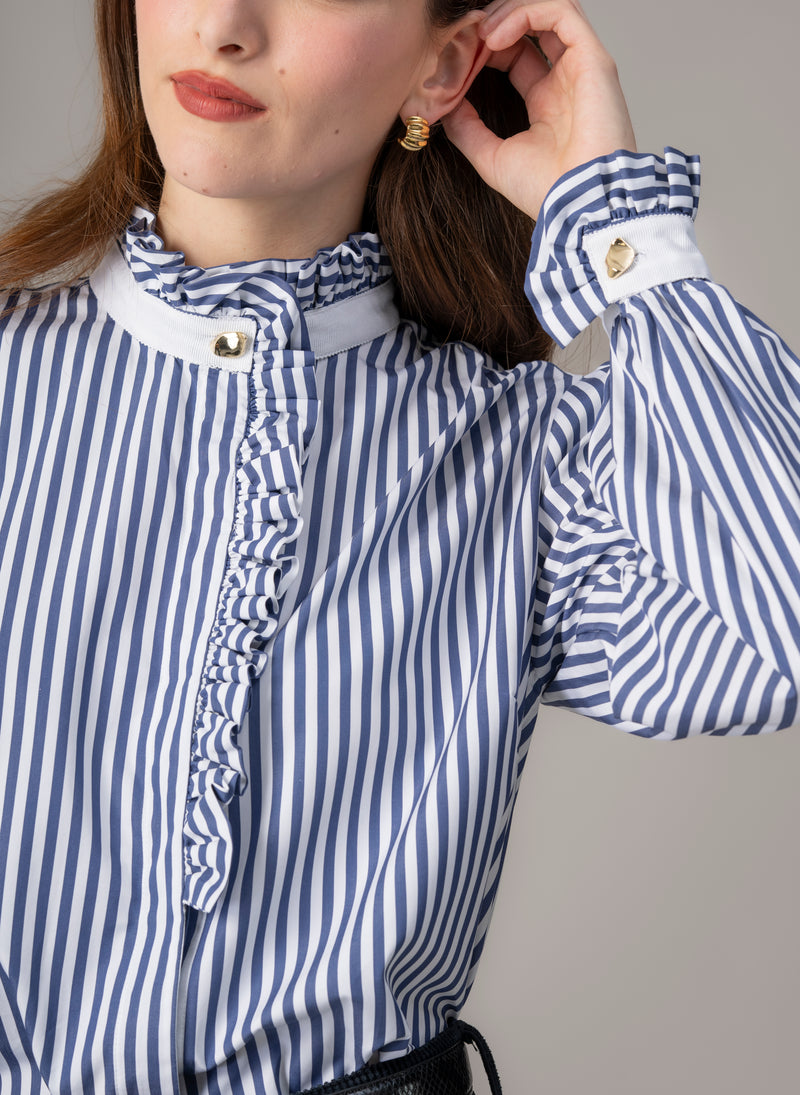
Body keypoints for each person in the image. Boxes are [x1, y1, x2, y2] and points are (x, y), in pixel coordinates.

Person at [1, 0, 799, 1093]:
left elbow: (774, 633)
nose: (225, 25)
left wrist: (618, 226)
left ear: (445, 69)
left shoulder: (520, 461)